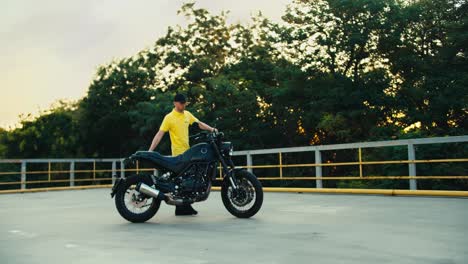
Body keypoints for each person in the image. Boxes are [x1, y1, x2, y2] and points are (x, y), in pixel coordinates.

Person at [148, 93, 217, 216]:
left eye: (185, 103)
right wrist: (150, 150)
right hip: (178, 154)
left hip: (188, 152)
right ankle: (182, 208)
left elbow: (199, 123)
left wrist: (211, 129)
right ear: (175, 103)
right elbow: (160, 134)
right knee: (182, 179)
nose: (184, 105)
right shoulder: (169, 117)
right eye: (181, 103)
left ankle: (183, 208)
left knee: (187, 180)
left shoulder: (187, 114)